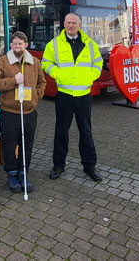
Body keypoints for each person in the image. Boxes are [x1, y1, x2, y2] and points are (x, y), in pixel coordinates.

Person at [42, 13, 103, 183]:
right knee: (61, 131)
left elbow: (98, 63)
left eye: (74, 23)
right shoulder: (54, 44)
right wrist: (57, 74)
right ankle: (58, 165)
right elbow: (45, 63)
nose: (71, 25)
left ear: (79, 24)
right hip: (64, 95)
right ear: (63, 24)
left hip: (83, 95)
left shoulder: (89, 44)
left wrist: (92, 76)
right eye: (68, 22)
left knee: (86, 132)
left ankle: (89, 166)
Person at [0, 31, 46, 193]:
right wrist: (13, 81)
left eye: (20, 44)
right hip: (9, 112)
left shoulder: (35, 62)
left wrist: (37, 96)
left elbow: (42, 81)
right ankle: (12, 174)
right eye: (14, 44)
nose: (17, 46)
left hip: (29, 112)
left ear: (26, 45)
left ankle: (23, 172)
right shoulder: (2, 62)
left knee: (26, 145)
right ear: (11, 45)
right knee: (9, 145)